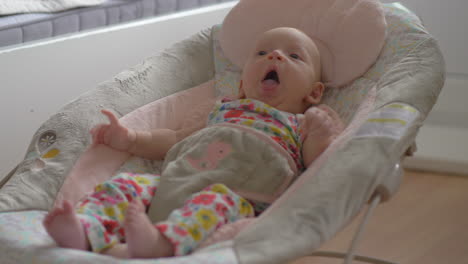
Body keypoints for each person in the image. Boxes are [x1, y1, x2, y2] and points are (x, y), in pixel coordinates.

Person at [43, 27, 344, 259]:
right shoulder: (221, 109)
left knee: (215, 200)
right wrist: (131, 139)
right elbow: (175, 139)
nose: (274, 56)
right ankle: (85, 228)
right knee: (125, 185)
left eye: (294, 56)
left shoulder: (302, 122)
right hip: (174, 183)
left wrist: (320, 135)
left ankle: (162, 243)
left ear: (314, 93)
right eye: (262, 52)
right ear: (241, 85)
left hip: (240, 198)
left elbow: (317, 166)